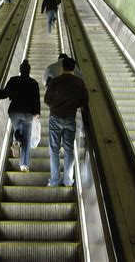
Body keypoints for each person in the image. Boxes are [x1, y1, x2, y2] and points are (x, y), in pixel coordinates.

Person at [44, 57, 89, 186]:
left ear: (62, 67)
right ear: (74, 68)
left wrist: (55, 106)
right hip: (70, 118)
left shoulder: (55, 81)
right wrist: (74, 105)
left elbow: (47, 100)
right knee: (69, 151)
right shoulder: (80, 83)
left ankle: (54, 180)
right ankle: (68, 181)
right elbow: (85, 100)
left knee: (54, 150)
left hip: (55, 118)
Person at [0, 60, 40, 172]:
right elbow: (36, 100)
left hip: (14, 111)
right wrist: (37, 112)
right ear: (29, 70)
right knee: (27, 139)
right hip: (28, 112)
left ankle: (16, 141)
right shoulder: (33, 83)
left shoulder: (14, 80)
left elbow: (5, 92)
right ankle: (24, 165)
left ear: (20, 70)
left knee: (17, 129)